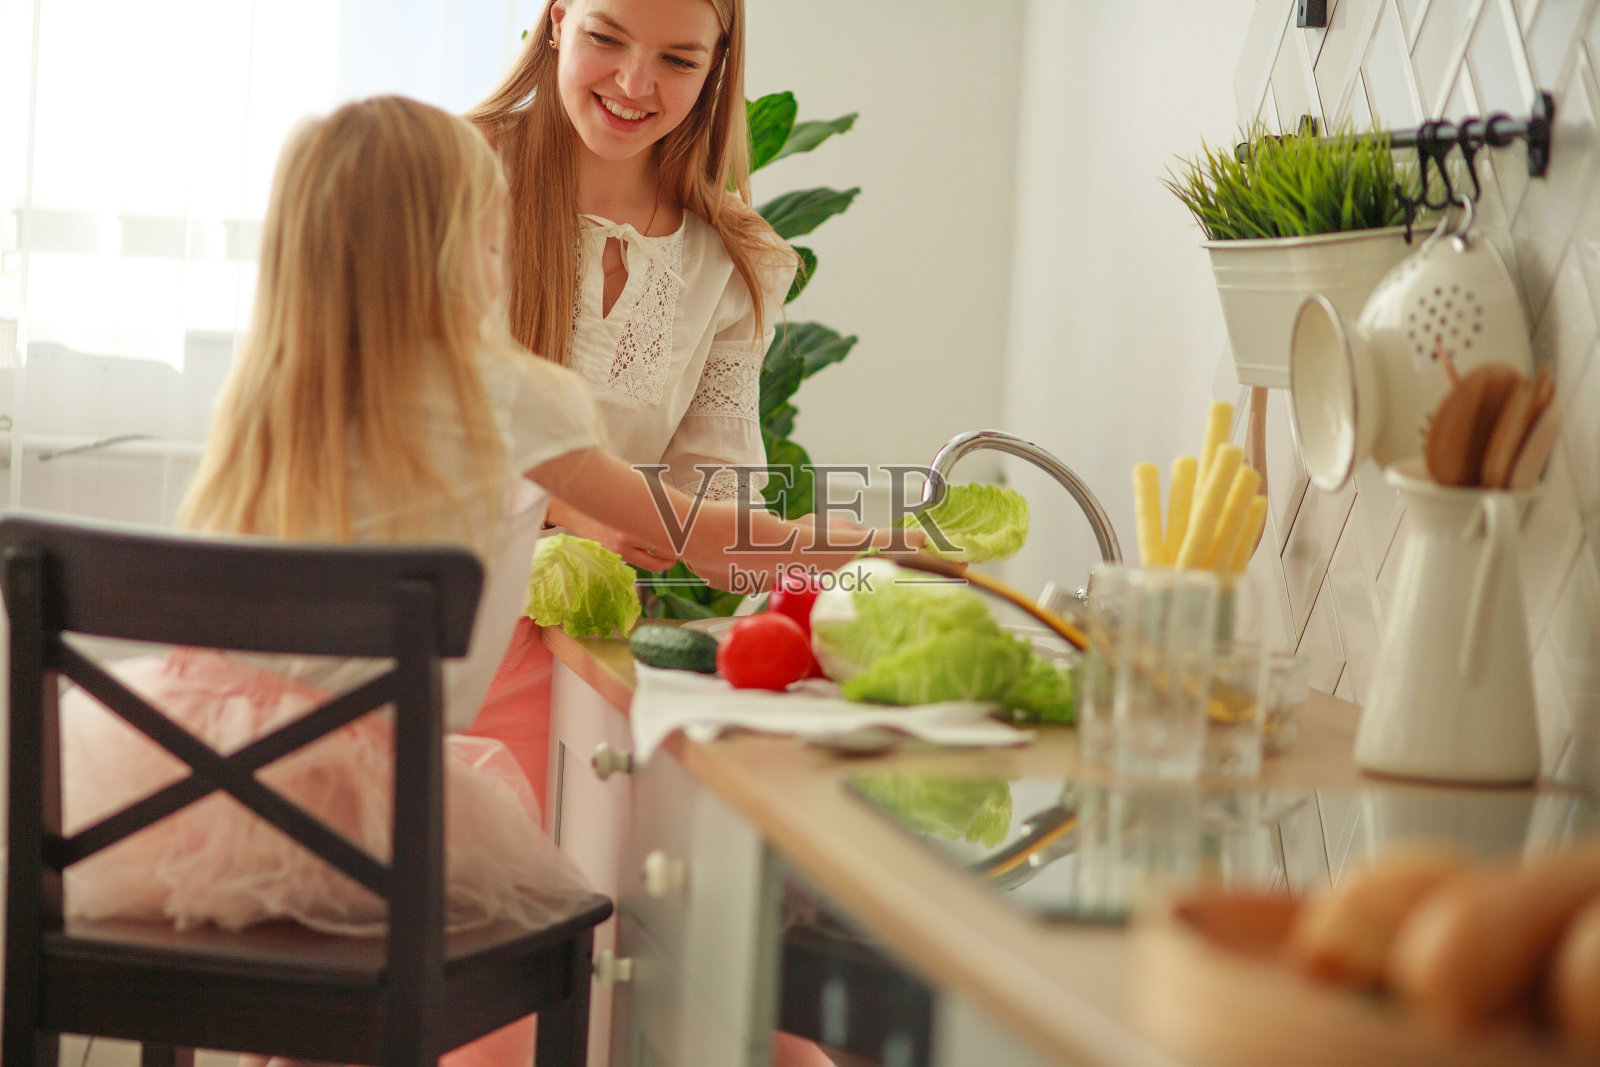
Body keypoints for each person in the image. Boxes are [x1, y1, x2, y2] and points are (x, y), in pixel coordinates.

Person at [59, 95, 911, 1067]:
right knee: (575, 920)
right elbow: (694, 535)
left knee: (312, 981)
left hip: (189, 802)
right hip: (364, 821)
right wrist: (867, 544)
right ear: (463, 241)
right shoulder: (505, 388)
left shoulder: (274, 393)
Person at [464, 0, 805, 802]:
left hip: (568, 658)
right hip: (404, 626)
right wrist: (574, 506)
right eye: (606, 38)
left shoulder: (735, 259)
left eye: (678, 61)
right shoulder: (451, 177)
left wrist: (851, 558)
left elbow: (717, 505)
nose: (632, 83)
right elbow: (380, 423)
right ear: (555, 22)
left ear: (719, 63)